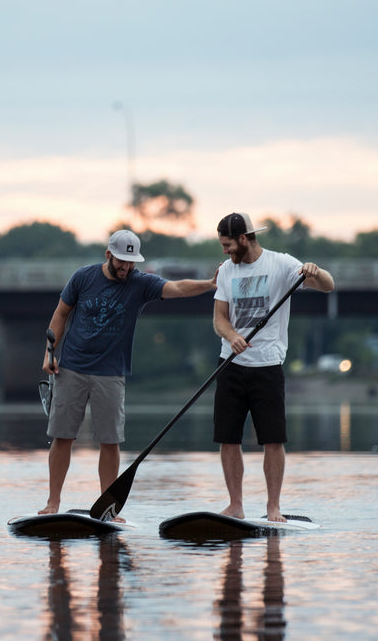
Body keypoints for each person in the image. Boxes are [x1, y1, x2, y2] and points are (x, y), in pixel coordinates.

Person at [39, 229, 217, 515]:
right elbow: (60, 314)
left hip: (111, 373)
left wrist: (209, 284)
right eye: (121, 260)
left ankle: (108, 509)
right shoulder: (82, 277)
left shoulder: (140, 283)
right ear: (108, 254)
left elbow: (177, 288)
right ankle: (53, 503)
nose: (126, 267)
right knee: (62, 437)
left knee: (109, 441)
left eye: (131, 262)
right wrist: (49, 353)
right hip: (71, 367)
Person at [211, 212, 335, 522]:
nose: (224, 251)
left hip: (267, 365)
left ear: (244, 239)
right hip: (230, 363)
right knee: (228, 439)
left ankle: (273, 508)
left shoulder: (280, 264)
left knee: (272, 439)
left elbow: (329, 286)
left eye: (227, 245)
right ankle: (236, 505)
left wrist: (315, 272)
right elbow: (219, 320)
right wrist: (233, 336)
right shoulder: (226, 271)